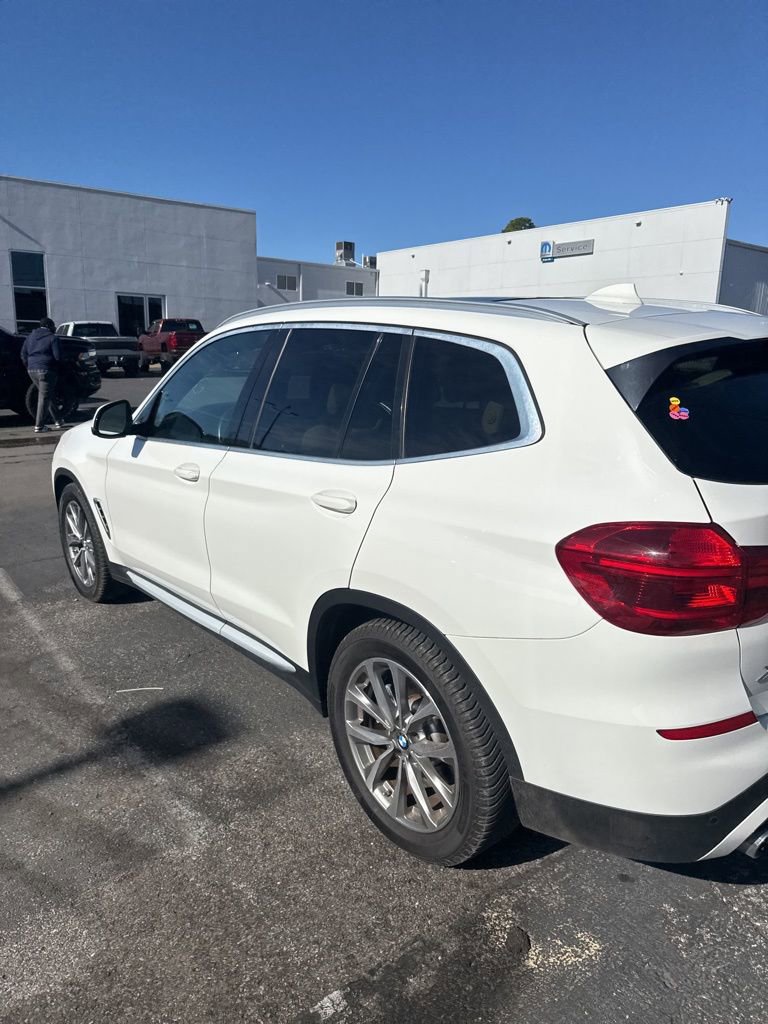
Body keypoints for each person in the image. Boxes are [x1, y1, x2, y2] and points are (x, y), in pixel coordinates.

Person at [20, 317, 63, 433]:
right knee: (44, 398)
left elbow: (23, 354)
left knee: (48, 395)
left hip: (32, 370)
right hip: (46, 370)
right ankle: (39, 425)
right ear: (49, 326)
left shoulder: (30, 337)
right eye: (53, 326)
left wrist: (29, 365)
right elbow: (58, 357)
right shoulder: (53, 338)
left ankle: (58, 420)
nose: (55, 328)